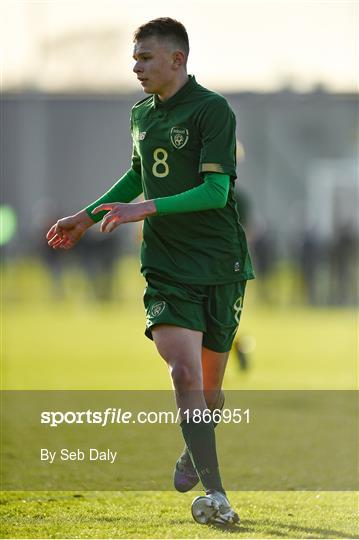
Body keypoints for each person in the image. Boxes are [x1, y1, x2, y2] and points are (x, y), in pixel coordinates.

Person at [46, 17, 255, 526]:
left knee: (209, 392)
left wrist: (145, 209)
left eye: (144, 58)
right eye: (134, 57)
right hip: (166, 265)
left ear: (176, 60)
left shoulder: (212, 111)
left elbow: (215, 193)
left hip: (219, 262)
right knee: (181, 371)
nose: (135, 66)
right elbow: (138, 174)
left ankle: (194, 447)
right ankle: (218, 493)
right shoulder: (141, 114)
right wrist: (85, 215)